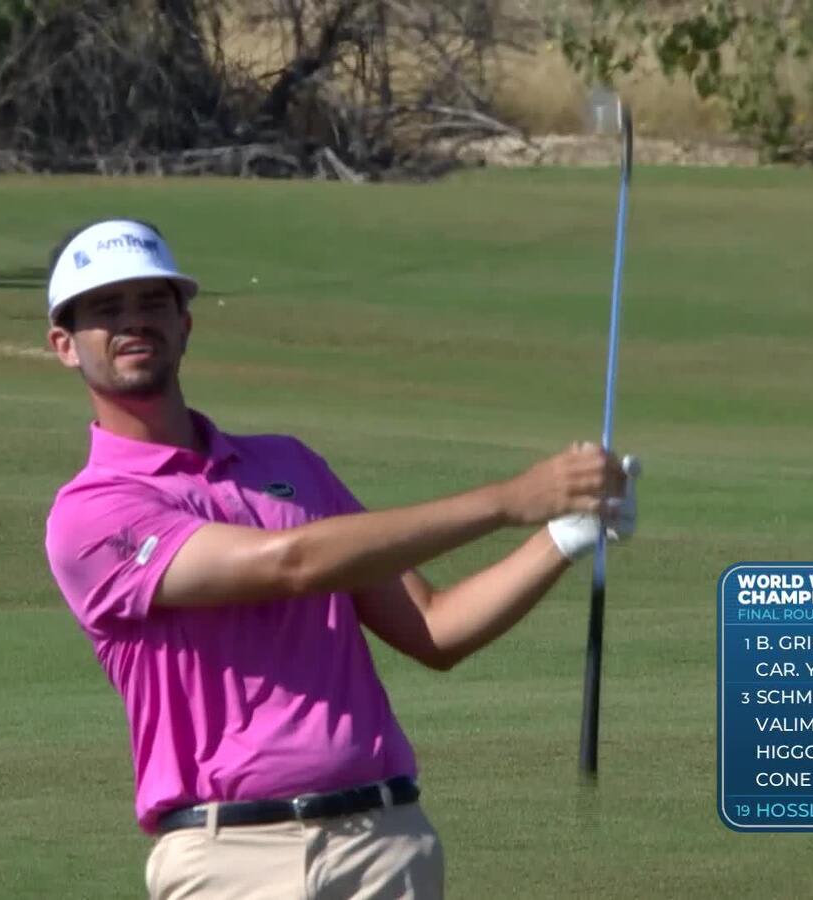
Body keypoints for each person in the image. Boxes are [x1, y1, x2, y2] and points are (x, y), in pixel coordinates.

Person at [41, 218, 640, 900]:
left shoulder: (289, 465)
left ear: (185, 324)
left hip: (383, 842)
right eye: (106, 308)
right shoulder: (91, 514)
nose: (133, 321)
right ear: (65, 344)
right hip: (229, 856)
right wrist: (509, 501)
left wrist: (562, 535)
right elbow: (289, 564)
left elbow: (435, 627)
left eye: (153, 301)